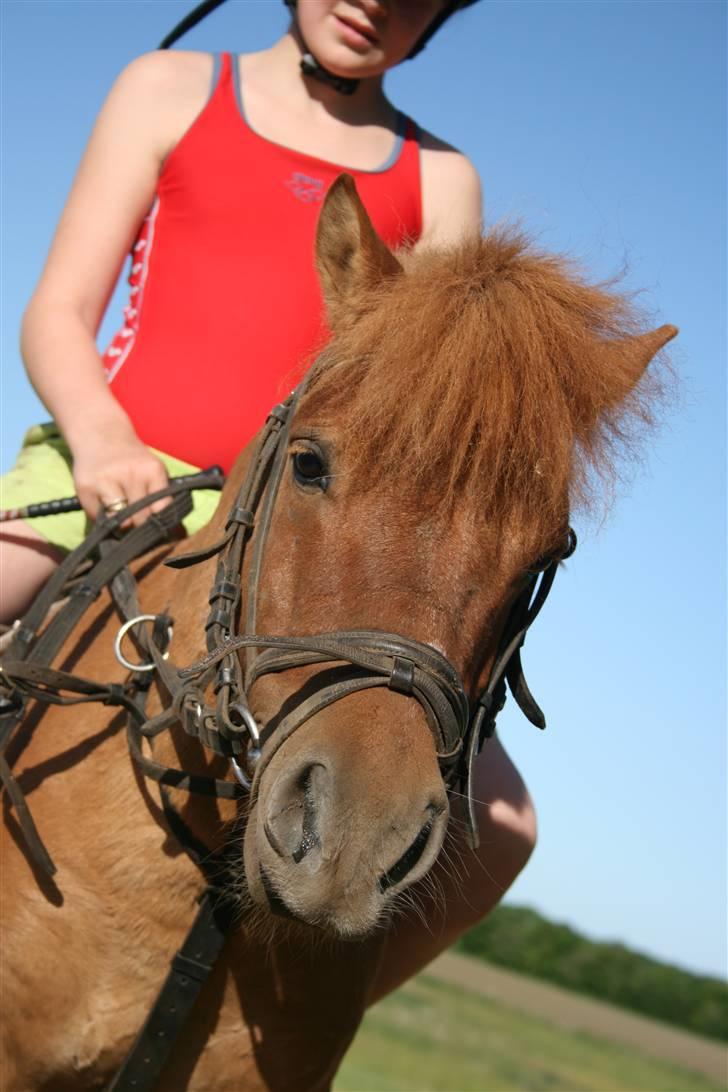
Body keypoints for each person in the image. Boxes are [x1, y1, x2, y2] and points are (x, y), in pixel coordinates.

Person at [0, 0, 536, 998]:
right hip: (113, 467)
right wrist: (103, 441)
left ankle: (297, 1019)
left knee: (502, 827)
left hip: (310, 534)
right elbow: (58, 312)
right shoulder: (168, 89)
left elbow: (430, 412)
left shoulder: (440, 179)